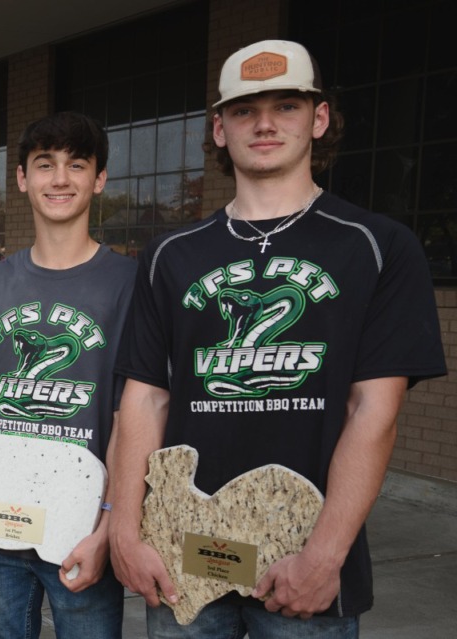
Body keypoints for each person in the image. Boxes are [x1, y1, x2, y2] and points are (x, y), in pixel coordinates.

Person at [108, 39, 447, 638]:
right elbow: (144, 399)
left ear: (318, 119)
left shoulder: (376, 245)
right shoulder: (169, 255)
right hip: (184, 558)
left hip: (302, 567)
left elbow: (374, 410)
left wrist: (325, 556)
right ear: (219, 129)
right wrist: (126, 532)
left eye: (286, 105)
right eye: (244, 110)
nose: (264, 123)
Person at [0, 111, 138, 639]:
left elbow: (131, 418)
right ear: (23, 178)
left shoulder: (128, 284)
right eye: (44, 165)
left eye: (77, 165)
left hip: (79, 523)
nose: (59, 179)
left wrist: (109, 523)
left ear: (99, 180)